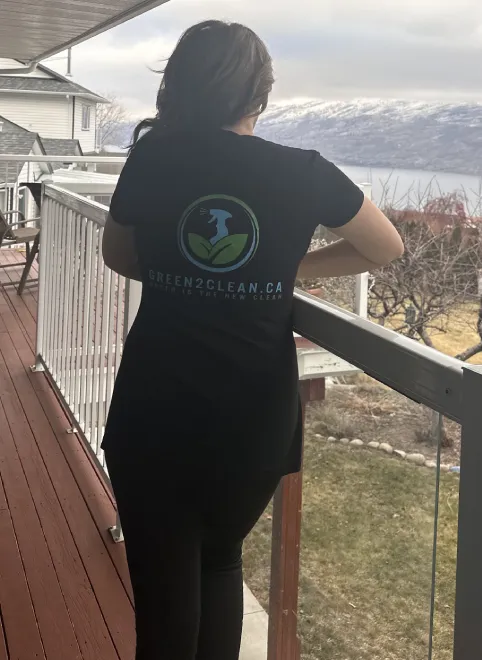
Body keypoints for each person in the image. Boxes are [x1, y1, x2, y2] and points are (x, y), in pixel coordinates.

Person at [101, 19, 404, 660]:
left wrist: (183, 269)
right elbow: (385, 247)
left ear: (178, 88)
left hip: (156, 410)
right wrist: (286, 266)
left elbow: (120, 255)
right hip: (252, 420)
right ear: (258, 98)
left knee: (164, 589)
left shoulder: (154, 157)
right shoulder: (303, 171)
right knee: (220, 560)